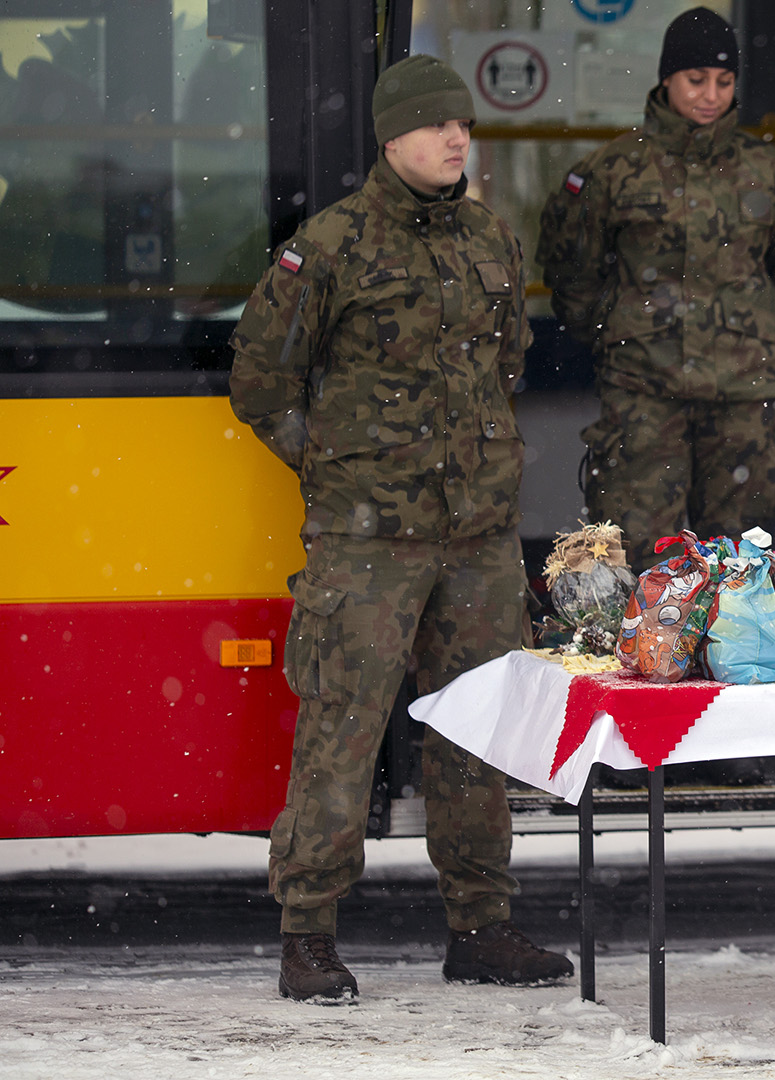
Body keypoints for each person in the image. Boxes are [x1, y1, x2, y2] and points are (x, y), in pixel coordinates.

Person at [229, 54, 573, 1004]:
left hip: (476, 538)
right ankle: (309, 934)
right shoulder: (330, 246)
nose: (457, 138)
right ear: (391, 140)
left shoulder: (491, 240)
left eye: (462, 125)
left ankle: (481, 925)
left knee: (474, 732)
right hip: (367, 543)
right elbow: (260, 381)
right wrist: (340, 469)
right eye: (435, 126)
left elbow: (509, 360)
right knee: (342, 728)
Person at [537, 7, 775, 565]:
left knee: (748, 560)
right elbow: (573, 278)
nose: (710, 95)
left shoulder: (770, 171)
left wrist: (752, 338)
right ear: (666, 78)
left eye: (724, 81)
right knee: (639, 557)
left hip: (748, 394)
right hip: (645, 392)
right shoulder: (613, 171)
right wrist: (620, 337)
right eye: (696, 80)